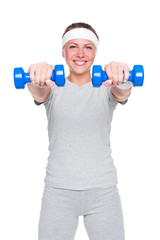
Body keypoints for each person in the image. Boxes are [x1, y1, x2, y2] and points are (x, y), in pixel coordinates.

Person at [27, 22, 132, 240]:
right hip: (58, 192)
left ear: (95, 52)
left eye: (88, 47)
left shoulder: (106, 87)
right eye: (73, 46)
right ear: (63, 52)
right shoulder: (52, 87)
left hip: (103, 191)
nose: (81, 53)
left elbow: (122, 93)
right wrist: (35, 75)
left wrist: (123, 77)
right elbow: (38, 92)